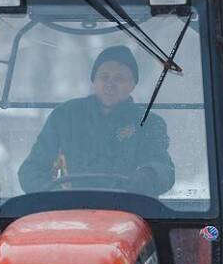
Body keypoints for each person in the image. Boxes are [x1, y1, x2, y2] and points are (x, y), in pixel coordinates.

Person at [18, 45, 176, 196]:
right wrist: (50, 194)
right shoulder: (65, 116)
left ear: (132, 85)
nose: (110, 84)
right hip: (70, 211)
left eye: (119, 78)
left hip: (130, 210)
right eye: (103, 77)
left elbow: (162, 168)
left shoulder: (148, 123)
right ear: (94, 81)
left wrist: (147, 177)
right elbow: (32, 169)